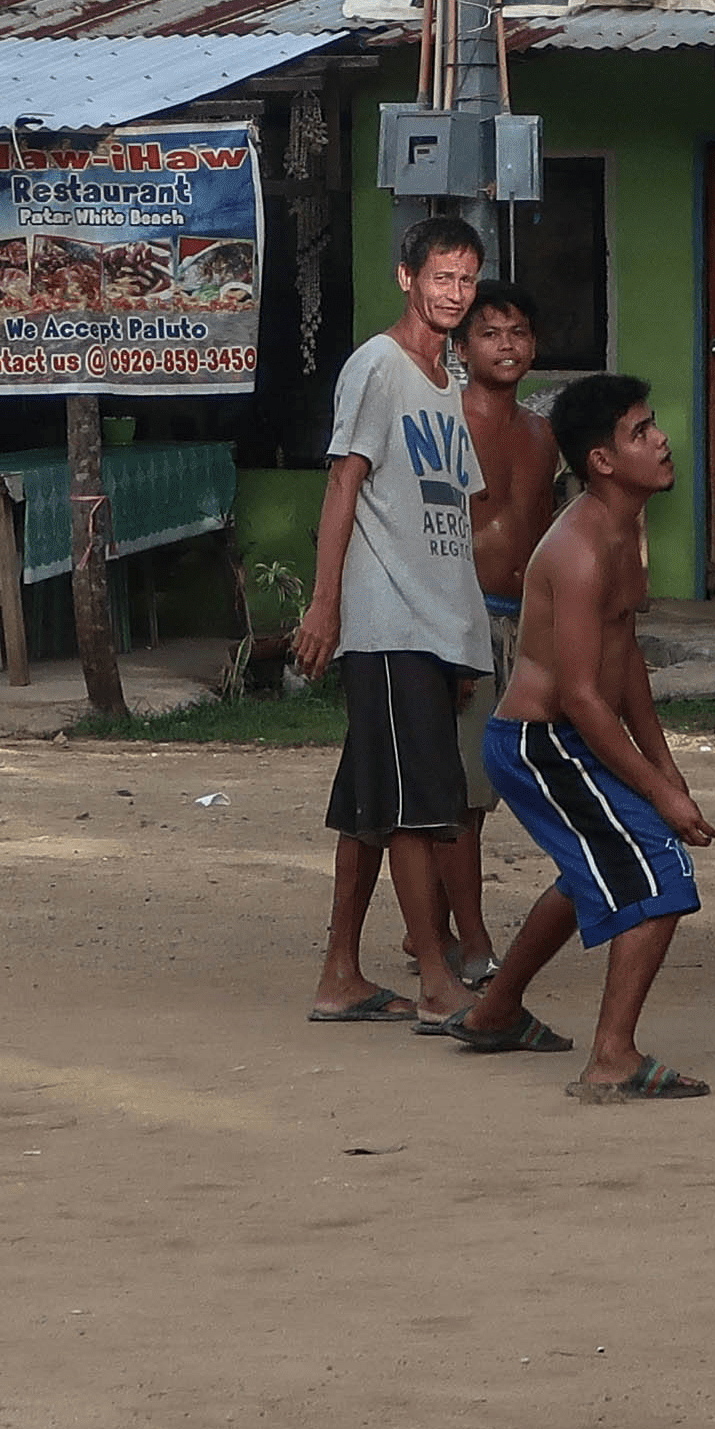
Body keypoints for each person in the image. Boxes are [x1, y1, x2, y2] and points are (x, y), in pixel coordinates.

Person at [451, 374, 715, 1101]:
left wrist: (668, 770)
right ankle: (612, 1057)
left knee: (588, 876)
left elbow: (624, 660)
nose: (661, 440)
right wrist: (657, 793)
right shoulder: (579, 548)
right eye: (641, 432)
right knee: (659, 876)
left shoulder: (622, 529)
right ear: (602, 460)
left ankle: (495, 1012)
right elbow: (579, 693)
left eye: (653, 424)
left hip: (568, 737)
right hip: (543, 742)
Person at [292, 213, 493, 1026]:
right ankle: (438, 981)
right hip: (386, 620)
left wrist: (467, 634)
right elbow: (344, 485)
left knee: (377, 796)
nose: (455, 293)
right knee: (415, 807)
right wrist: (324, 601)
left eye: (467, 280)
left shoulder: (449, 385)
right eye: (442, 277)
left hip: (436, 623)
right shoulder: (378, 367)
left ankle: (340, 972)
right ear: (407, 278)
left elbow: (454, 522)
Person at [446, 279, 562, 992]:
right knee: (459, 791)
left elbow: (548, 533)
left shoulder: (540, 434)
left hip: (525, 623)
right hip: (463, 616)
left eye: (518, 332)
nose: (507, 345)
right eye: (490, 332)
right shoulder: (446, 423)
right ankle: (475, 939)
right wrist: (450, 637)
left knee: (488, 788)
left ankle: (434, 920)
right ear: (462, 349)